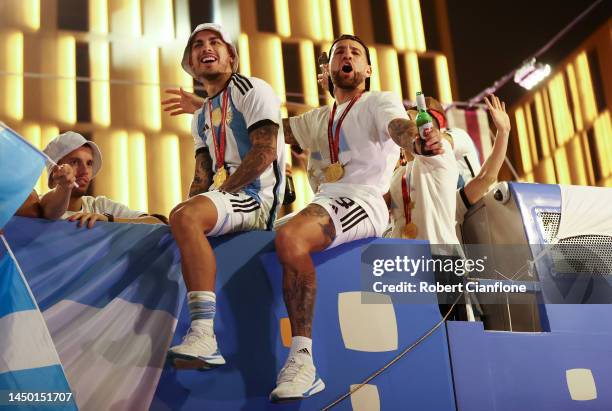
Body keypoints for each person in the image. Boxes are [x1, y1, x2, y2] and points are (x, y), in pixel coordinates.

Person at [272, 34, 446, 402]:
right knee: (262, 239)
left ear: (367, 69)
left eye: (355, 53)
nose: (346, 55)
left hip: (363, 201)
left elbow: (399, 127)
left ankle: (303, 360)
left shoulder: (377, 102)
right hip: (326, 201)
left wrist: (416, 143)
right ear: (328, 69)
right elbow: (272, 131)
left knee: (291, 239)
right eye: (339, 53)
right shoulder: (320, 117)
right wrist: (217, 106)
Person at [165, 23, 285, 370]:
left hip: (255, 198)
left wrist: (205, 204)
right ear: (190, 64)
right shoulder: (200, 116)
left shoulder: (253, 88)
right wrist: (186, 210)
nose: (206, 48)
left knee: (187, 217)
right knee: (182, 216)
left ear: (232, 56)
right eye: (198, 45)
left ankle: (203, 334)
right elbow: (201, 176)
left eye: (215, 42)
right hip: (226, 196)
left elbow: (264, 153)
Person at [42, 131, 164, 228]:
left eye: (89, 163)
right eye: (74, 162)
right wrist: (65, 186)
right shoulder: (38, 204)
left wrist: (109, 219)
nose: (85, 171)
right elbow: (51, 211)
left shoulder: (99, 206)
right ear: (54, 171)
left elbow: (158, 223)